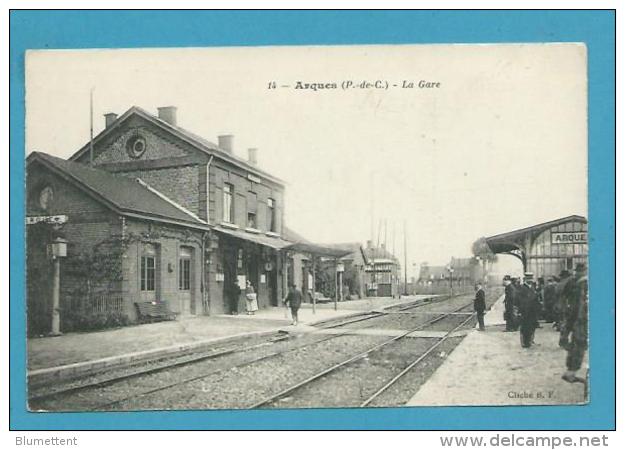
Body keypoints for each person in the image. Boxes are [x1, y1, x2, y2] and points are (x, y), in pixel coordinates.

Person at [562, 264, 588, 383]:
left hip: (578, 320)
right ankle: (571, 373)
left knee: (576, 346)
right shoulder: (582, 285)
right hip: (581, 321)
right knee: (579, 346)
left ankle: (570, 372)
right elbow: (579, 306)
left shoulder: (577, 284)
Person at [517, 272, 541, 348]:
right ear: (525, 279)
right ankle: (525, 342)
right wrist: (521, 311)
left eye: (531, 278)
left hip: (532, 311)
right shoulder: (522, 288)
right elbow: (520, 301)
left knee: (531, 326)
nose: (530, 280)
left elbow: (535, 298)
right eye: (528, 278)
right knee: (525, 327)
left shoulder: (532, 287)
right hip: (525, 311)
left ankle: (530, 341)